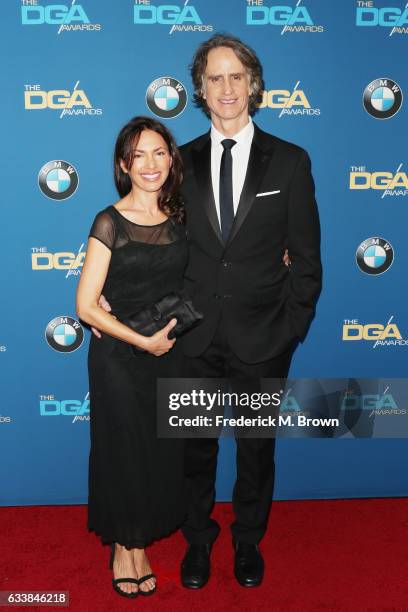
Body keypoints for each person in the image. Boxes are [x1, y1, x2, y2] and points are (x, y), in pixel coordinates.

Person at [178, 34, 322, 589]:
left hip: (264, 336)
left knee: (256, 452)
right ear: (201, 89)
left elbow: (307, 259)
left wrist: (291, 329)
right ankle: (197, 541)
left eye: (236, 76)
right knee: (194, 449)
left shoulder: (289, 161)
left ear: (254, 84)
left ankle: (246, 541)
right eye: (215, 78)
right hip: (192, 336)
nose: (227, 87)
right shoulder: (179, 160)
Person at [76, 116, 188, 598]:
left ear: (171, 159)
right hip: (121, 359)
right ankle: (125, 547)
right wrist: (140, 341)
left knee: (155, 455)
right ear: (124, 164)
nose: (150, 164)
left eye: (159, 152)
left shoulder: (181, 217)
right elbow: (84, 306)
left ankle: (140, 540)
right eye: (138, 155)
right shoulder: (109, 220)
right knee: (123, 453)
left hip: (168, 358)